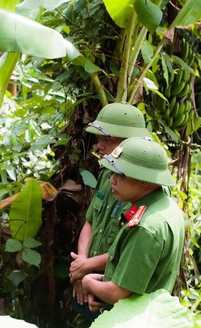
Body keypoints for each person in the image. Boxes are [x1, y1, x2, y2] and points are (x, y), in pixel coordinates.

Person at [69, 103, 151, 325]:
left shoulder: (145, 189)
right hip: (89, 283)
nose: (100, 146)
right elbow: (90, 222)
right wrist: (82, 265)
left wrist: (87, 269)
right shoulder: (108, 174)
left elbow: (130, 247)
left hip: (117, 289)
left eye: (109, 140)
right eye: (100, 139)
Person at [81, 137, 185, 312]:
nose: (112, 179)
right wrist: (100, 290)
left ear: (144, 180)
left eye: (120, 174)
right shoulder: (166, 207)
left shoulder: (145, 226)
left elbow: (118, 294)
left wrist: (88, 283)